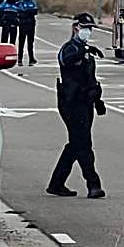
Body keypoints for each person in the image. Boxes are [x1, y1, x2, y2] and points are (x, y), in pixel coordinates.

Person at [46, 12, 106, 199]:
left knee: (76, 143)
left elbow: (90, 79)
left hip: (85, 103)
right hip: (71, 103)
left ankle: (56, 183)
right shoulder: (69, 48)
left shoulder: (86, 52)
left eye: (90, 29)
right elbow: (66, 60)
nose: (88, 31)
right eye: (85, 28)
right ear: (76, 27)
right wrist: (84, 50)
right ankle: (93, 184)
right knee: (83, 143)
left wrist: (98, 100)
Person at [15, 0, 39, 66]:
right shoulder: (20, 3)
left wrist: (27, 12)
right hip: (23, 24)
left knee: (30, 43)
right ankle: (20, 59)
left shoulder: (32, 2)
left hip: (31, 24)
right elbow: (19, 11)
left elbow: (35, 11)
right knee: (21, 42)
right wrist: (27, 12)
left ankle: (31, 59)